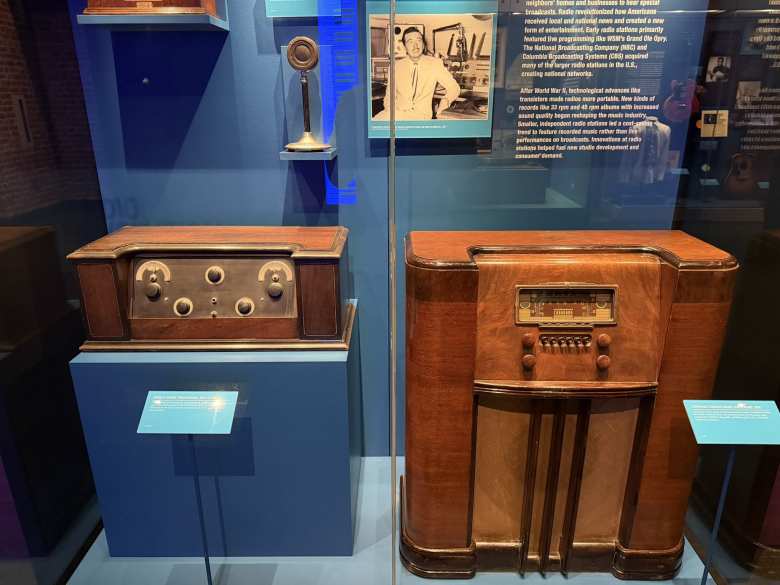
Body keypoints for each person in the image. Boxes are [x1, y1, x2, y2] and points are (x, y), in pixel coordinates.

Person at [374, 27, 461, 120]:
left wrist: (445, 101)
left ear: (423, 45)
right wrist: (391, 112)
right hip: (396, 115)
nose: (415, 45)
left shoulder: (435, 64)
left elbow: (454, 87)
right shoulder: (395, 66)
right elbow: (389, 97)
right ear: (404, 47)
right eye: (410, 41)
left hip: (420, 117)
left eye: (419, 40)